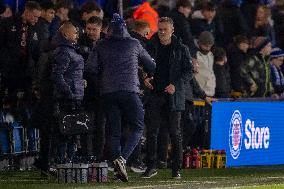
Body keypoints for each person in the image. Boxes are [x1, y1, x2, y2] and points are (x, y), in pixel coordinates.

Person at [86, 13, 155, 182]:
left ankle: (118, 169)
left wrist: (102, 82)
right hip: (129, 91)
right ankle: (122, 159)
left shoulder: (101, 45)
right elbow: (151, 65)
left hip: (108, 93)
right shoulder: (134, 43)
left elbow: (90, 69)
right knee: (138, 126)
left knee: (114, 131)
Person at [142, 17, 192, 179]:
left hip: (173, 96)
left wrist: (175, 85)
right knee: (152, 132)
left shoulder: (181, 49)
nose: (162, 32)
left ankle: (176, 168)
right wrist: (144, 77)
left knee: (174, 133)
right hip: (155, 95)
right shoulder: (150, 46)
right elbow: (141, 65)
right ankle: (151, 166)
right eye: (160, 29)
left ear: (172, 30)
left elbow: (188, 72)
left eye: (165, 29)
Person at [51, 21, 85, 163]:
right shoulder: (64, 52)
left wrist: (80, 82)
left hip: (74, 95)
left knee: (73, 130)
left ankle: (70, 158)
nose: (77, 35)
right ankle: (63, 159)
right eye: (74, 32)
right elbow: (57, 75)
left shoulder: (69, 50)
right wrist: (69, 92)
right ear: (66, 34)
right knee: (66, 130)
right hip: (68, 98)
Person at [0, 1, 41, 96]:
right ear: (27, 12)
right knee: (8, 97)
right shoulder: (7, 23)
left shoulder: (36, 28)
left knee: (26, 99)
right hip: (9, 69)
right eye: (35, 16)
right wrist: (5, 61)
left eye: (38, 17)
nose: (36, 20)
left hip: (26, 71)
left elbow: (36, 51)